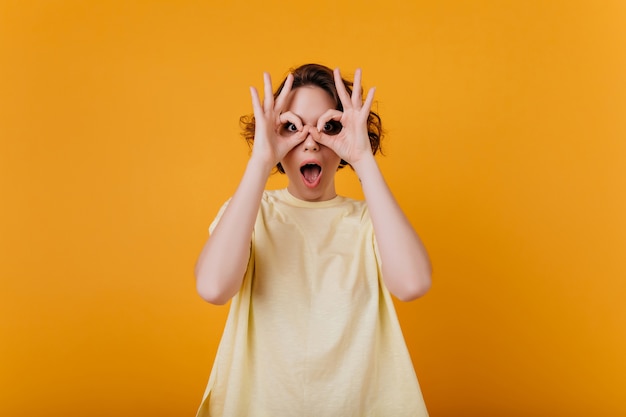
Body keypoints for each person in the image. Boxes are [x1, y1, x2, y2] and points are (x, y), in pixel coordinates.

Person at [194, 63, 432, 416]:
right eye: (291, 127)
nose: (310, 140)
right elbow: (213, 288)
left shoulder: (371, 221)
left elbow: (412, 284)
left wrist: (364, 158)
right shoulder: (252, 214)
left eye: (329, 126)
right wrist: (261, 160)